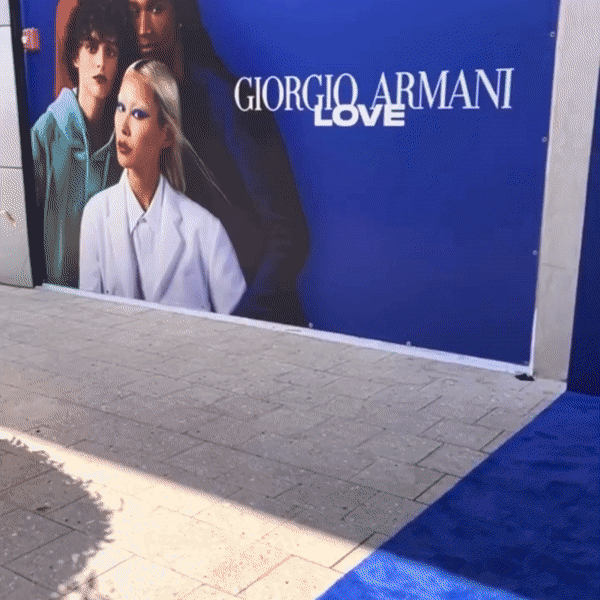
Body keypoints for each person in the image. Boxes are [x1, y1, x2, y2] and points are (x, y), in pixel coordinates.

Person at [55, 0, 309, 325]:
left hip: (251, 319)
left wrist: (240, 326)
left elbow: (287, 235)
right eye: (133, 11)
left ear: (179, 14)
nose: (143, 28)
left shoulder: (225, 100)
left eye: (156, 9)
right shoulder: (121, 105)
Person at [79, 60, 246, 314]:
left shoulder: (205, 231)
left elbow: (241, 324)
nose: (123, 127)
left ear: (166, 134)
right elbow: (90, 317)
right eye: (120, 108)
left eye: (138, 114)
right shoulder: (96, 215)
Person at [32, 0, 133, 288]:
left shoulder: (125, 136)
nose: (101, 62)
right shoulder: (46, 133)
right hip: (57, 296)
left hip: (110, 296)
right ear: (75, 56)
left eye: (110, 51)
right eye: (91, 47)